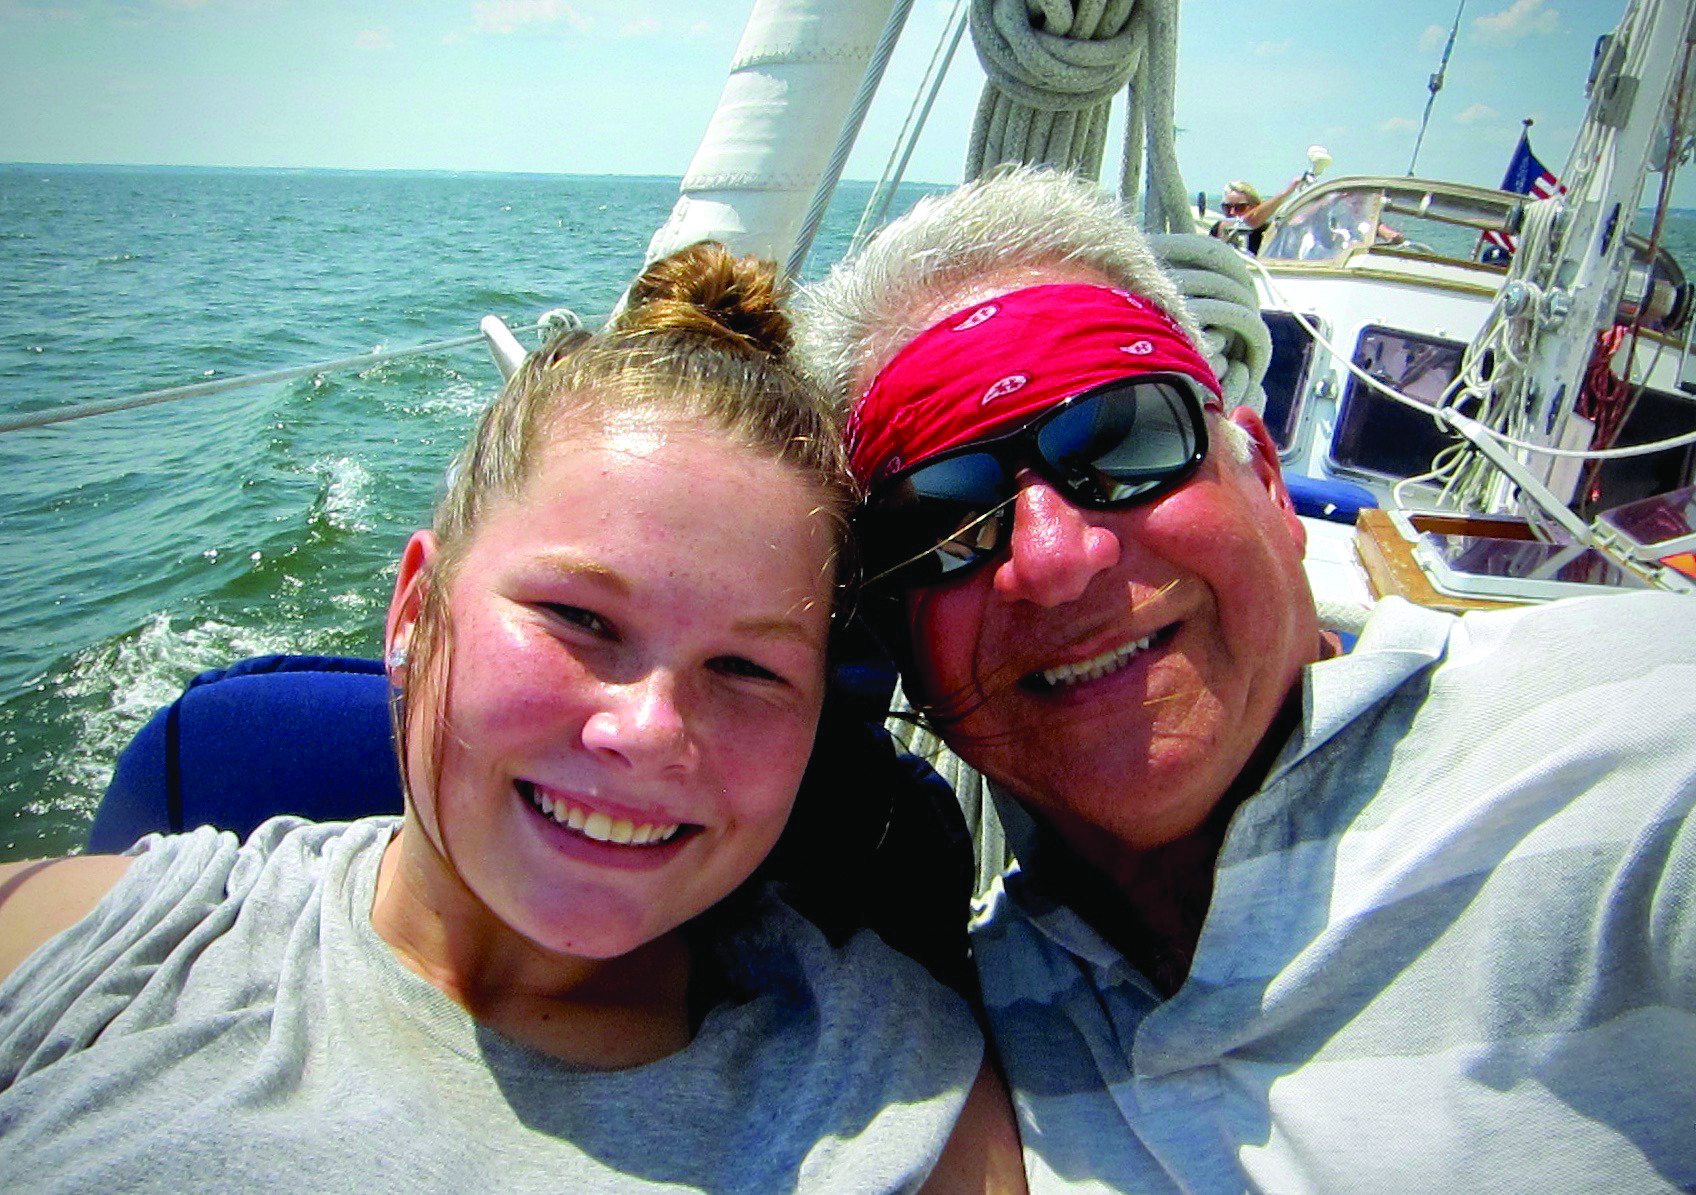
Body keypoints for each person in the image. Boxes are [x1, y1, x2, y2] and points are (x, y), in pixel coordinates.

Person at [0, 243, 1026, 1194]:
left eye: (748, 668)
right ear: (414, 610)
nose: (648, 729)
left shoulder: (898, 1106)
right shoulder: (97, 947)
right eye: (580, 618)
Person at [796, 166, 1696, 1192]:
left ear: (1266, 477)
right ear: (883, 633)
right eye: (938, 521)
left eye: (1127, 439)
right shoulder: (953, 1032)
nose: (1053, 559)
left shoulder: (1634, 743)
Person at [1207, 177, 1300, 254]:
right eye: (1227, 207)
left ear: (1255, 206)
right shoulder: (1219, 228)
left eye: (1240, 207)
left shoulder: (1270, 230)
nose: (1232, 212)